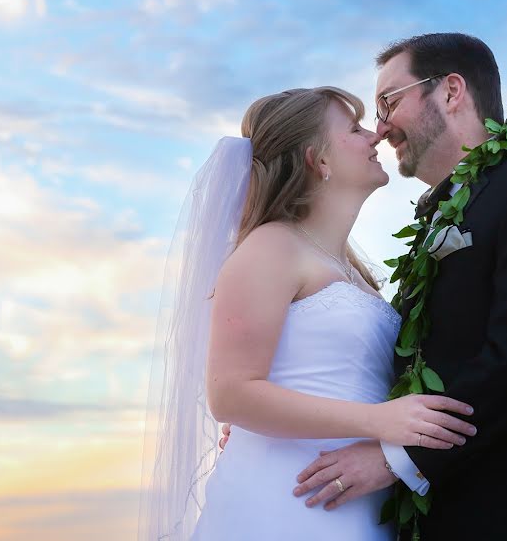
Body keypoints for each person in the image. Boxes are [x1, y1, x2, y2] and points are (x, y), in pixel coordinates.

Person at [279, 33, 507, 540]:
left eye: (388, 101)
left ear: (451, 91)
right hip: (443, 512)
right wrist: (278, 422)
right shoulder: (435, 219)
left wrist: (397, 458)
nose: (381, 125)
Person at [138, 85, 477, 540]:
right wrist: (379, 422)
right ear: (319, 160)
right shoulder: (271, 246)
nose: (374, 135)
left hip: (351, 498)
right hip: (287, 501)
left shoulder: (353, 270)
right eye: (354, 129)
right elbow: (231, 395)